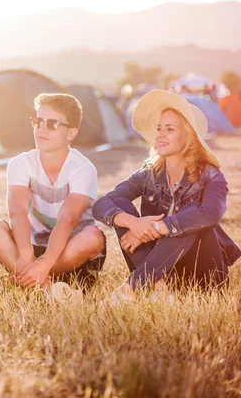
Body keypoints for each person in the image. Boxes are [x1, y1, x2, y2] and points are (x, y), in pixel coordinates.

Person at [93, 89, 240, 302]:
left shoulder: (212, 176)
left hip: (204, 274)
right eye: (159, 128)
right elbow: (102, 203)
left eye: (169, 129)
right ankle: (159, 289)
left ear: (188, 136)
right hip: (164, 269)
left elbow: (211, 213)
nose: (160, 134)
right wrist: (133, 222)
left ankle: (131, 288)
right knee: (120, 206)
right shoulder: (149, 174)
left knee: (191, 215)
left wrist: (157, 227)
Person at [0, 93, 106, 290]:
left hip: (70, 252)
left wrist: (45, 264)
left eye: (52, 124)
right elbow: (17, 212)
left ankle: (26, 279)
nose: (41, 128)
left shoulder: (83, 168)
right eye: (38, 121)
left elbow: (67, 220)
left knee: (93, 237)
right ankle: (40, 281)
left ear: (71, 133)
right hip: (32, 249)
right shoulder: (21, 163)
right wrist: (27, 256)